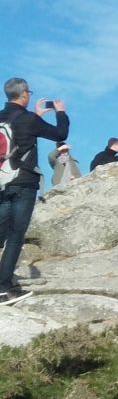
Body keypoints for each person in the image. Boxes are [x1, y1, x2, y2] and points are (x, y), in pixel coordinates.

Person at [0, 78, 69, 300]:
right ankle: (3, 288)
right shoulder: (28, 119)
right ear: (24, 95)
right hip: (23, 182)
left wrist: (37, 116)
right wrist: (60, 112)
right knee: (15, 236)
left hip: (2, 182)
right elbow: (60, 134)